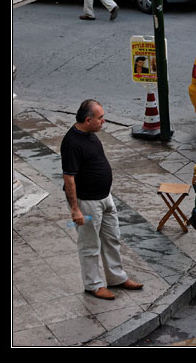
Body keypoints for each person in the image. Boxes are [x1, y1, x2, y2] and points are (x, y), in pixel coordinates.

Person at [61, 99, 142, 300]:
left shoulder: (90, 134)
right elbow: (69, 178)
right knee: (89, 245)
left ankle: (116, 278)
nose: (103, 121)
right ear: (88, 120)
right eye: (100, 118)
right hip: (87, 204)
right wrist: (75, 210)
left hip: (105, 199)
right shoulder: (71, 142)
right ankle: (94, 285)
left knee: (112, 238)